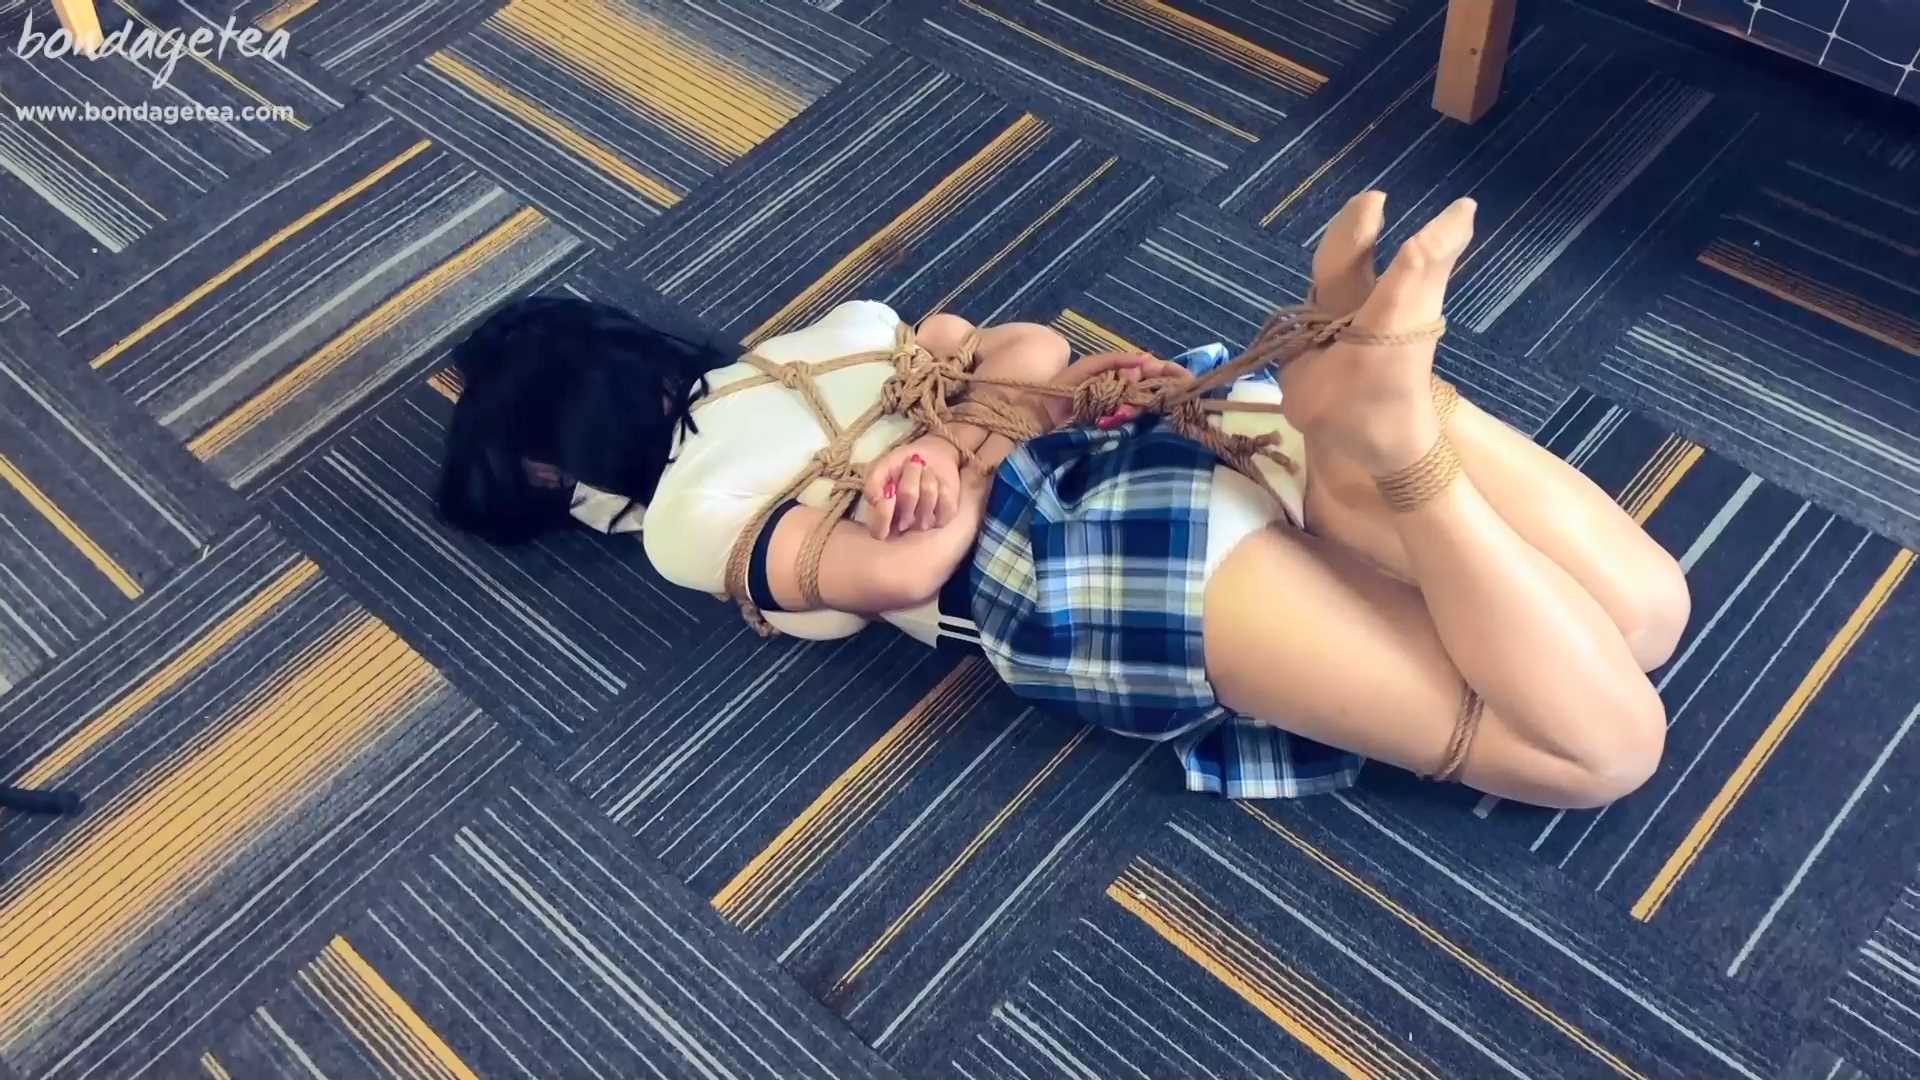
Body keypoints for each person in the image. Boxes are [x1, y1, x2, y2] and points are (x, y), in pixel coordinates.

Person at [438, 195, 1690, 810]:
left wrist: (950, 478)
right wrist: (961, 438)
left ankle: (1396, 442)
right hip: (1173, 420)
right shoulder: (835, 334)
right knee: (1645, 612)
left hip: (1081, 559)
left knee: (1606, 750)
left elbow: (894, 576)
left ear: (559, 469)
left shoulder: (681, 518)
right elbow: (1034, 350)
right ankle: (1377, 425)